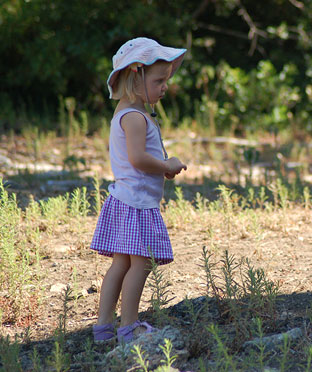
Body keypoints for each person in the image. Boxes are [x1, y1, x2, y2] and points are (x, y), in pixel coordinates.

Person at [91, 37, 187, 343]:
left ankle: (104, 326)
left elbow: (138, 161)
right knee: (141, 263)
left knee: (122, 263)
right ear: (136, 74)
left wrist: (162, 169)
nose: (164, 88)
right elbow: (138, 159)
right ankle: (128, 326)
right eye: (159, 81)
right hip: (136, 204)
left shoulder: (129, 112)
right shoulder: (134, 117)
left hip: (125, 200)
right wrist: (166, 164)